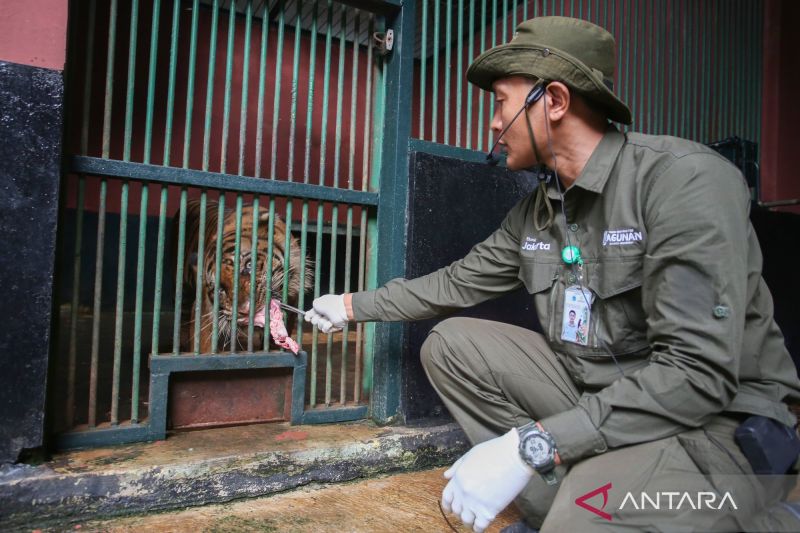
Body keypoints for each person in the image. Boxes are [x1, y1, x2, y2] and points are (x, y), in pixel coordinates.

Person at [305, 16, 800, 532]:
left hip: (717, 426)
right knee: (452, 346)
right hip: (604, 398)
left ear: (555, 101)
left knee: (583, 515)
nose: (493, 123)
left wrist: (531, 446)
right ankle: (581, 499)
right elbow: (455, 283)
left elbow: (697, 376)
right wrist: (349, 307)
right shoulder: (538, 211)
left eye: (502, 102)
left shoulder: (682, 180)